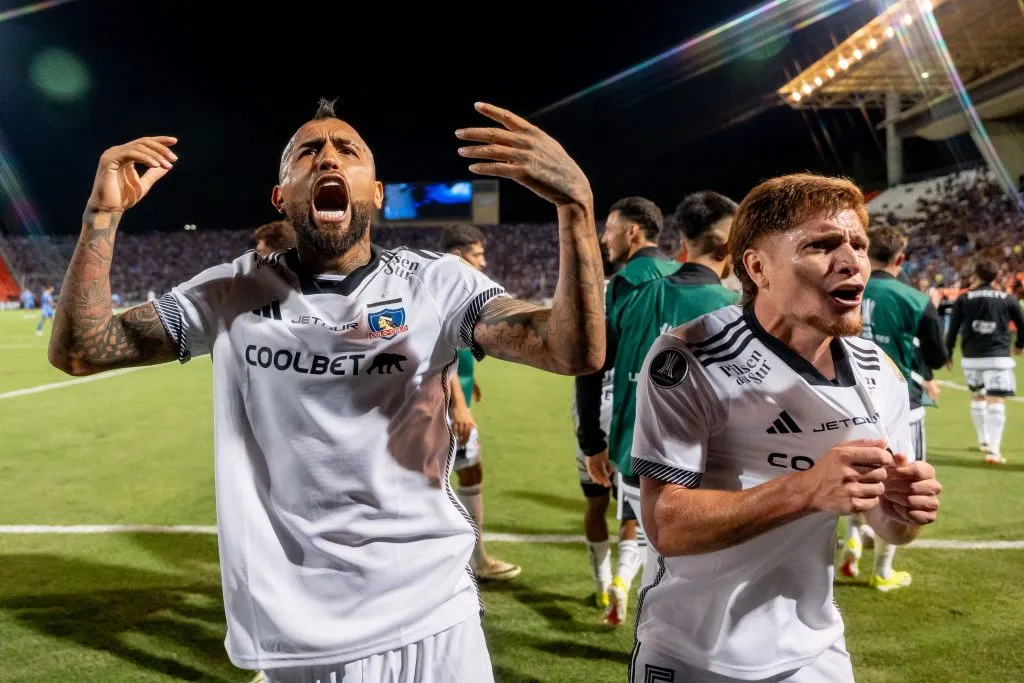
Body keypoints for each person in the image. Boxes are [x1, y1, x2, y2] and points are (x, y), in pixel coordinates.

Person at [49, 99, 604, 682]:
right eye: (307, 152)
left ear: (377, 193)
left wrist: (576, 207)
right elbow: (82, 350)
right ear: (280, 196)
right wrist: (100, 216)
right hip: (300, 639)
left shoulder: (437, 282)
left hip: (435, 616)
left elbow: (571, 351)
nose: (328, 158)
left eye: (348, 150)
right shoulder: (231, 291)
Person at [630, 174, 942, 682]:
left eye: (859, 245)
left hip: (816, 650)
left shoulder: (878, 370)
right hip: (693, 652)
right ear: (758, 267)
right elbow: (666, 525)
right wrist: (806, 489)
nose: (852, 261)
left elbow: (889, 524)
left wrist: (902, 510)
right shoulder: (691, 358)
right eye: (822, 245)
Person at [578, 192, 739, 626]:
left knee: (655, 561)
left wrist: (591, 441)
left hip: (635, 454)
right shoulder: (734, 310)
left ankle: (646, 635)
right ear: (729, 245)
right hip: (704, 465)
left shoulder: (630, 293)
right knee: (696, 582)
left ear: (682, 240)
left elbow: (591, 366)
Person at [839, 225, 947, 590]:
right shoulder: (914, 299)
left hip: (845, 399)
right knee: (900, 486)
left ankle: (853, 537)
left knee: (859, 475)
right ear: (900, 258)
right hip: (900, 402)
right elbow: (937, 355)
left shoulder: (843, 287)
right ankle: (883, 571)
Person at [439, 223, 521, 581]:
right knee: (453, 477)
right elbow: (439, 351)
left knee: (466, 472)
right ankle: (474, 561)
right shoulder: (445, 288)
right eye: (477, 254)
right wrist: (458, 403)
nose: (483, 262)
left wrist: (469, 385)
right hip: (444, 408)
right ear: (458, 255)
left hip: (451, 399)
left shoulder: (449, 285)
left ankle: (472, 558)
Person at [572, 248, 618, 610]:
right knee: (633, 509)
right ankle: (624, 581)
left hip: (588, 413)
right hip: (628, 410)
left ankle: (602, 583)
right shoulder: (640, 292)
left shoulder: (583, 298)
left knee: (595, 503)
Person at [945, 257, 1024, 464]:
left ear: (976, 275)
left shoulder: (964, 298)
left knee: (977, 397)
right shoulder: (1007, 298)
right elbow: (1022, 324)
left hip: (971, 358)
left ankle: (983, 439)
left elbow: (953, 328)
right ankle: (993, 451)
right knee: (996, 400)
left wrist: (948, 352)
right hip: (998, 358)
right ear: (997, 276)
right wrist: (1019, 345)